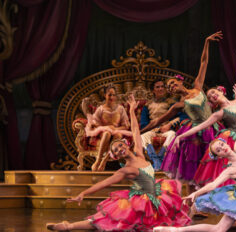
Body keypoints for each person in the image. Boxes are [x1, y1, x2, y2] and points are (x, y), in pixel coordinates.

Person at [46, 94, 191, 231]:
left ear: (126, 145)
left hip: (156, 194)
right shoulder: (126, 170)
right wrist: (83, 193)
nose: (119, 149)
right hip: (141, 200)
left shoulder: (139, 154)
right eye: (115, 150)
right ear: (115, 157)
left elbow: (135, 130)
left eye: (120, 146)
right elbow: (104, 183)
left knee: (167, 219)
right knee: (108, 220)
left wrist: (132, 110)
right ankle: (68, 227)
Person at [156, 86, 236, 232]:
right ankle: (177, 230)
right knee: (220, 229)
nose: (223, 147)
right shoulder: (231, 169)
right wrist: (196, 193)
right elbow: (212, 185)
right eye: (219, 150)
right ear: (219, 156)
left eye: (222, 145)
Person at [182, 43, 236, 187]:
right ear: (212, 102)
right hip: (232, 140)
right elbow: (201, 126)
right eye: (210, 96)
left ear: (222, 91)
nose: (213, 95)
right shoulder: (220, 113)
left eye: (214, 92)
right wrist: (181, 136)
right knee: (232, 172)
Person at [145, 32, 223, 183]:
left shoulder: (197, 87)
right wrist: (136, 132)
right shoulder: (179, 105)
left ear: (180, 82)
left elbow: (204, 62)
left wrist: (206, 42)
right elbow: (156, 122)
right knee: (194, 167)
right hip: (195, 132)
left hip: (212, 127)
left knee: (215, 162)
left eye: (173, 83)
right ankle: (192, 198)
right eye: (169, 87)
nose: (172, 86)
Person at [139, 80, 188, 170]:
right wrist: (155, 129)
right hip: (152, 130)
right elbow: (143, 123)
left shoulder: (171, 103)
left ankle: (161, 156)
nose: (161, 89)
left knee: (172, 135)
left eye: (162, 86)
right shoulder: (147, 105)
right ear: (153, 90)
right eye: (157, 87)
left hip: (167, 129)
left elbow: (183, 117)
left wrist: (170, 124)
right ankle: (154, 157)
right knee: (143, 136)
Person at [81, 85, 131, 171]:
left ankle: (104, 161)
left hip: (116, 131)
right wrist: (107, 128)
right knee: (107, 133)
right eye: (109, 95)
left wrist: (115, 129)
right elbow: (95, 124)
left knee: (118, 136)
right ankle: (98, 160)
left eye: (114, 95)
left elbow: (126, 126)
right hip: (103, 131)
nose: (112, 97)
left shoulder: (120, 108)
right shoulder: (101, 109)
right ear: (105, 95)